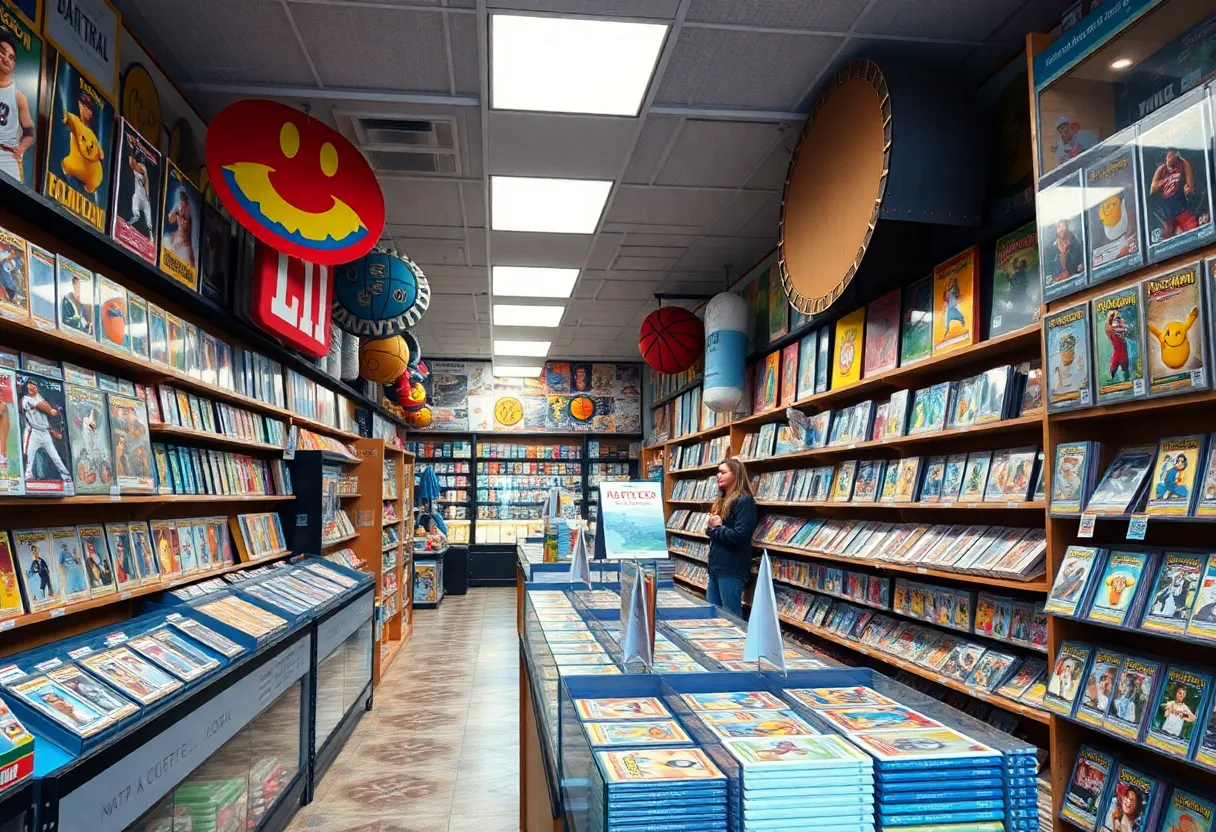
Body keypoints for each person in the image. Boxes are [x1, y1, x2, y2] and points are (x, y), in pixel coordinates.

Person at [705, 458, 757, 616]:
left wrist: (717, 528)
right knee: (713, 613)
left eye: (723, 472)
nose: (718, 475)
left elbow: (740, 536)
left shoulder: (744, 501)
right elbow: (709, 530)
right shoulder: (722, 501)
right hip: (716, 567)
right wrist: (714, 528)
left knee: (731, 616)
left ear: (736, 474)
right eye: (718, 472)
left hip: (732, 568)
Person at [0, 29, 34, 185]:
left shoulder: (18, 97)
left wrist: (21, 148)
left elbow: (30, 132)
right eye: (2, 52)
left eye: (11, 57)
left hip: (6, 158)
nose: (6, 59)